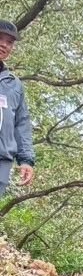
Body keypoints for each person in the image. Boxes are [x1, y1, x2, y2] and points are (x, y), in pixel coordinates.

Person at [0, 19, 35, 199]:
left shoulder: (14, 85)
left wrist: (26, 160)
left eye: (9, 41)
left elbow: (21, 124)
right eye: (0, 38)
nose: (3, 44)